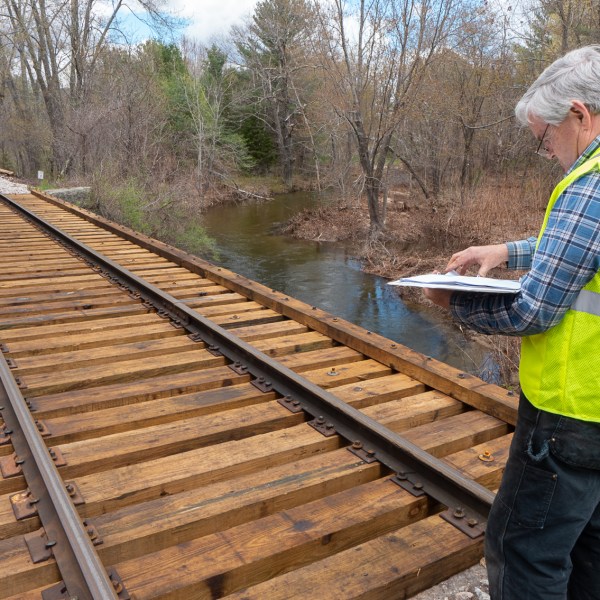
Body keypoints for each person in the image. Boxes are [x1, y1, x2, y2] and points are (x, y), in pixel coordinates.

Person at [424, 45, 600, 600]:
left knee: (523, 551)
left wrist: (456, 304)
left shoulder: (590, 183)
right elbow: (578, 249)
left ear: (579, 114)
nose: (545, 150)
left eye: (544, 136)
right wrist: (506, 249)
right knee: (589, 546)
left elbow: (535, 310)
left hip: (570, 413)